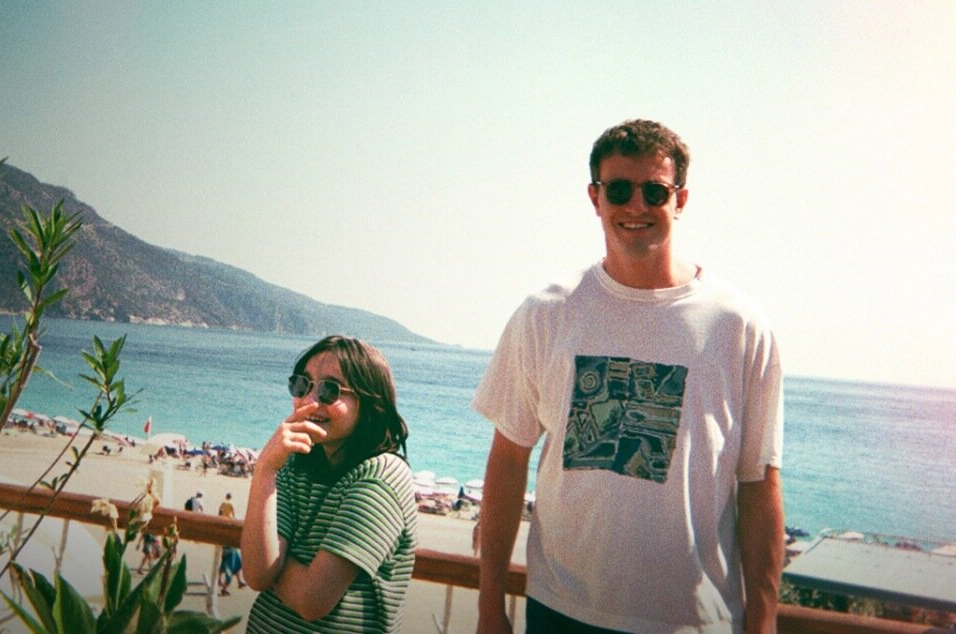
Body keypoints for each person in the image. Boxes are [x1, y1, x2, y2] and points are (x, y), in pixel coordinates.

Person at [473, 119, 784, 634]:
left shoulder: (739, 326)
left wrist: (764, 619)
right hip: (561, 612)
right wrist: (489, 608)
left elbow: (759, 483)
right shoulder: (546, 314)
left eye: (654, 192)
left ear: (680, 200)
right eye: (618, 190)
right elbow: (507, 460)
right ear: (595, 198)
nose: (636, 205)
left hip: (693, 621)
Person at [241, 335, 418, 633]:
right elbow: (258, 574)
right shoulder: (295, 462)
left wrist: (278, 569)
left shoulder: (382, 475)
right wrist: (265, 469)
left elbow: (311, 600)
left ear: (370, 401)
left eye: (329, 390)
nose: (310, 401)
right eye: (302, 385)